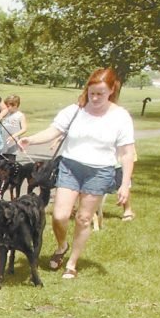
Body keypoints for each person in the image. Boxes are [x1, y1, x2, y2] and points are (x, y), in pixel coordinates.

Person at [19, 67, 135, 278]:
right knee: (59, 215)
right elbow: (54, 130)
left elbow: (127, 153)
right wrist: (31, 139)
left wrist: (125, 184)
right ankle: (62, 245)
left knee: (83, 218)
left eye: (101, 93)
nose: (95, 97)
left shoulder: (120, 116)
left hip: (99, 171)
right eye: (92, 92)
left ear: (111, 90)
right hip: (71, 166)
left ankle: (71, 264)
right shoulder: (75, 110)